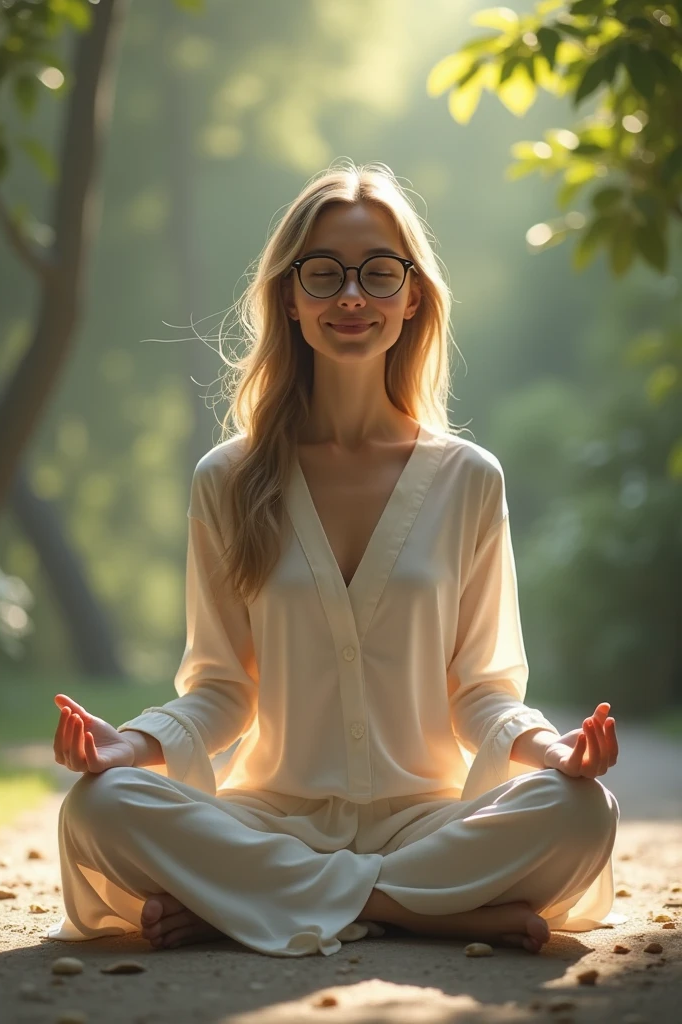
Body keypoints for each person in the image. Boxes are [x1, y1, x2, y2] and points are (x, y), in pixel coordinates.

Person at [46, 159, 624, 959]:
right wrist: (128, 747)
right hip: (268, 819)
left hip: (428, 818)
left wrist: (552, 750)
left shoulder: (468, 479)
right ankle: (420, 910)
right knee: (98, 806)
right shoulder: (228, 478)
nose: (352, 295)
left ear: (413, 295)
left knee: (582, 810)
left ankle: (253, 905)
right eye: (323, 274)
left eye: (379, 274)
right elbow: (220, 691)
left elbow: (483, 695)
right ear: (289, 297)